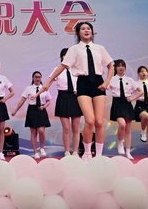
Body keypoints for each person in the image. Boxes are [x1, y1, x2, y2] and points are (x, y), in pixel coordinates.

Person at [40, 22, 114, 161]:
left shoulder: (99, 48)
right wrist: (49, 82)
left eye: (88, 28)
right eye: (83, 29)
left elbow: (111, 66)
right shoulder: (74, 49)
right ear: (78, 33)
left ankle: (99, 155)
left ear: (92, 31)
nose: (86, 30)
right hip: (83, 84)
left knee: (99, 122)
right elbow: (62, 66)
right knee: (90, 121)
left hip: (98, 83)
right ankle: (87, 152)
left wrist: (106, 82)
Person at [107, 59, 142, 160]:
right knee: (122, 124)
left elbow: (140, 92)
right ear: (115, 68)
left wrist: (132, 98)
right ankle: (120, 143)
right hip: (117, 103)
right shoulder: (111, 79)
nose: (121, 68)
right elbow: (104, 88)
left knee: (128, 130)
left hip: (127, 104)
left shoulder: (129, 80)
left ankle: (128, 152)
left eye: (123, 66)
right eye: (119, 66)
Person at [50, 48, 82, 157]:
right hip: (63, 97)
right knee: (66, 128)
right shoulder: (57, 69)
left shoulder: (77, 69)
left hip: (75, 98)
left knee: (76, 128)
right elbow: (49, 81)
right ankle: (67, 151)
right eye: (65, 55)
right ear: (61, 57)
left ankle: (75, 152)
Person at [12, 71, 51, 159]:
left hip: (41, 110)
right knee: (33, 133)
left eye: (39, 77)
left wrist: (44, 106)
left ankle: (42, 148)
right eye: (36, 77)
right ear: (33, 78)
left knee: (41, 131)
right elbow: (22, 100)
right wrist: (15, 110)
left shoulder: (44, 88)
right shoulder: (28, 88)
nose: (37, 78)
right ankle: (35, 152)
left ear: (41, 78)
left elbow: (49, 101)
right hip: (32, 110)